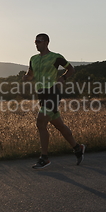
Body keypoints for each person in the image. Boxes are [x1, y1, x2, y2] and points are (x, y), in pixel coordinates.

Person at [22, 33, 85, 169]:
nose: (36, 43)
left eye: (38, 41)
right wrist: (26, 77)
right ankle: (77, 148)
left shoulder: (55, 57)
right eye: (35, 41)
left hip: (53, 92)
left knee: (40, 122)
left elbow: (71, 69)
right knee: (59, 125)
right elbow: (31, 74)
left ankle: (44, 158)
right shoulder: (33, 59)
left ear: (46, 42)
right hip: (42, 94)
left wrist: (63, 78)